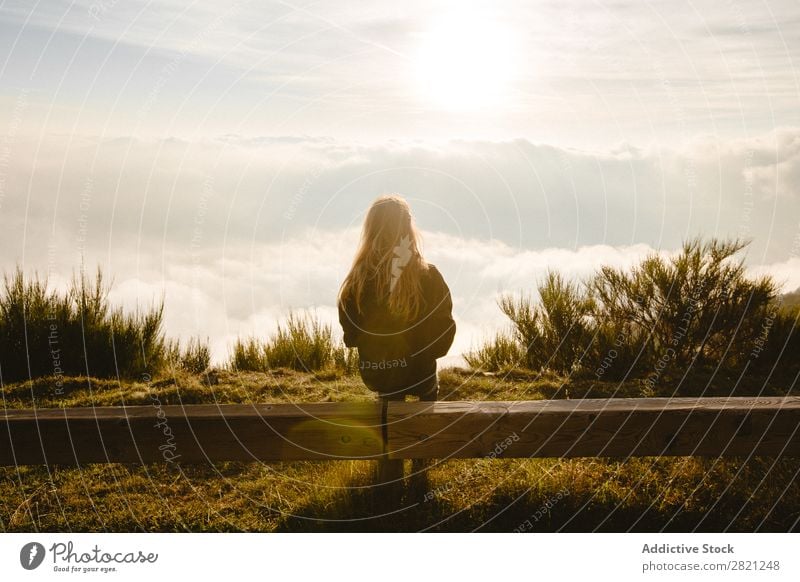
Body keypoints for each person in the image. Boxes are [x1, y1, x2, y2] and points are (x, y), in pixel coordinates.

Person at [337, 194, 456, 495]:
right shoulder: (428, 276)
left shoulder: (356, 282)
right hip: (421, 372)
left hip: (380, 373)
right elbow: (444, 329)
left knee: (389, 403)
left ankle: (388, 479)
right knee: (426, 399)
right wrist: (425, 351)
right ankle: (421, 474)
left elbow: (350, 335)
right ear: (408, 229)